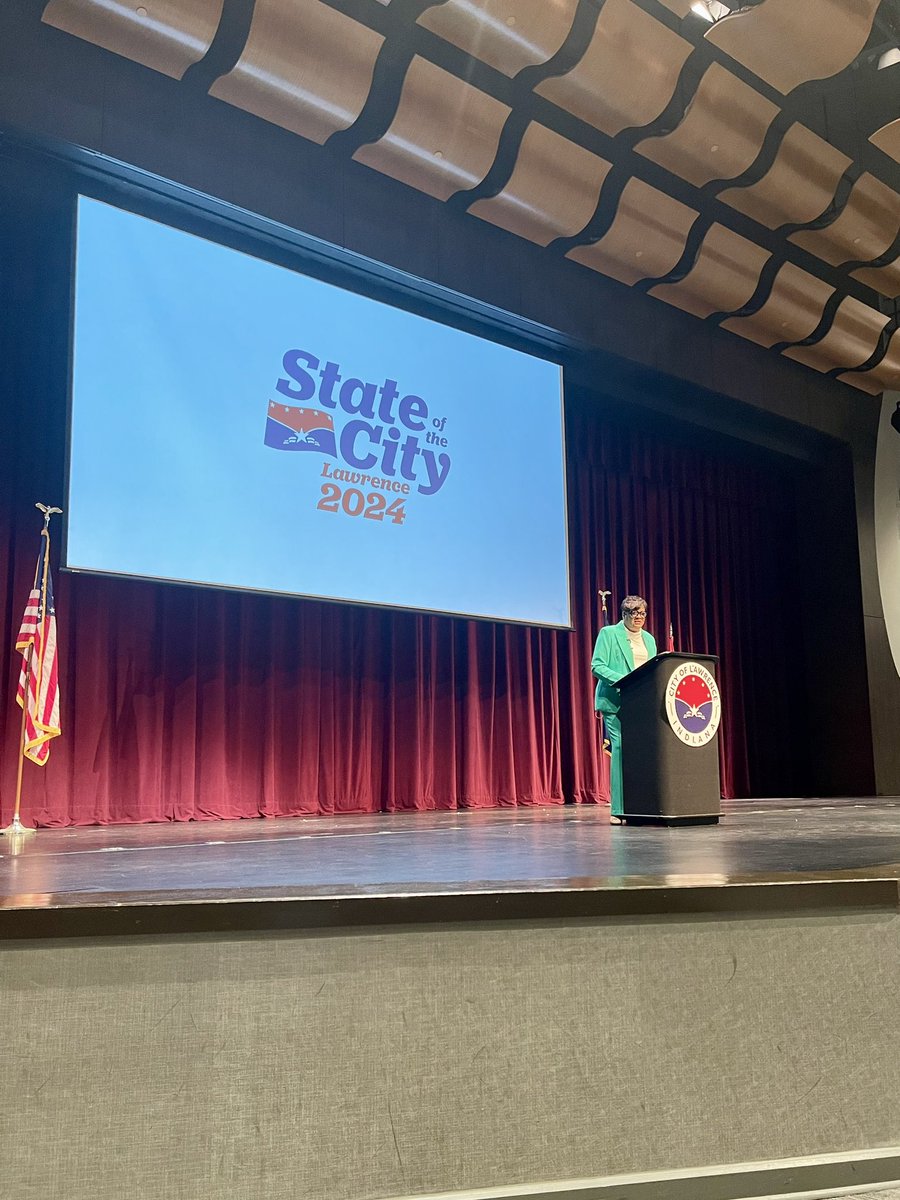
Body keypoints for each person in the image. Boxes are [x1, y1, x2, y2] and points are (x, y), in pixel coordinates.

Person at [591, 595, 657, 822]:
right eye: (633, 613)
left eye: (642, 613)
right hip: (616, 701)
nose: (638, 618)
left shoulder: (649, 639)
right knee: (620, 750)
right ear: (623, 615)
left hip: (641, 702)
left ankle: (641, 804)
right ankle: (618, 809)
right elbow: (597, 665)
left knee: (642, 752)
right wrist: (625, 681)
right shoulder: (608, 634)